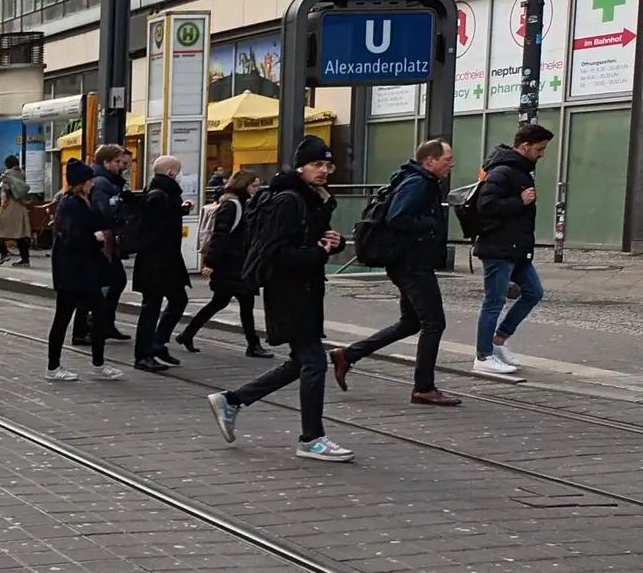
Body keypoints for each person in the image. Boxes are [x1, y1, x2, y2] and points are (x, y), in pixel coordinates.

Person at [207, 136, 352, 462]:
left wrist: (334, 243)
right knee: (314, 361)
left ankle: (232, 401)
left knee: (301, 362)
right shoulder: (288, 200)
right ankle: (311, 438)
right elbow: (275, 253)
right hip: (288, 292)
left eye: (328, 165)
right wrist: (317, 253)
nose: (324, 171)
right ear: (300, 166)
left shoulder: (312, 199)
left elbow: (311, 243)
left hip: (304, 291)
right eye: (317, 164)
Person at [331, 138, 461, 406]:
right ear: (430, 161)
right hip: (412, 264)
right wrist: (432, 225)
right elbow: (397, 216)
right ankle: (424, 388)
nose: (452, 164)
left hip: (407, 262)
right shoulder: (419, 183)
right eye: (447, 159)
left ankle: (348, 355)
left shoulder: (417, 180)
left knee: (412, 323)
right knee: (434, 323)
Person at [472, 121, 551, 378]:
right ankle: (483, 356)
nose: (542, 154)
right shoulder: (503, 171)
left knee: (533, 292)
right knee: (493, 301)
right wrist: (519, 201)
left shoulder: (521, 170)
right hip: (499, 248)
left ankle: (499, 339)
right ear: (525, 146)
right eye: (539, 149)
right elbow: (487, 205)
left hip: (516, 249)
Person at [178, 171, 271, 357]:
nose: (256, 190)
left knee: (224, 303)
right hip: (231, 264)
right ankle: (253, 345)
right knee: (237, 303)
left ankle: (188, 334)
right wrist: (211, 262)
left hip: (238, 263)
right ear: (243, 185)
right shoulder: (232, 205)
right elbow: (220, 235)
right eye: (254, 186)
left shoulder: (244, 204)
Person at [46, 160, 122, 383]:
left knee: (97, 313)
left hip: (82, 271)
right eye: (88, 180)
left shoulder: (83, 201)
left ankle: (97, 363)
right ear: (80, 183)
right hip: (72, 272)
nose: (92, 183)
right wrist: (94, 238)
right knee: (65, 317)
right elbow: (71, 237)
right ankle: (54, 366)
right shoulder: (70, 204)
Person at [131, 155, 192, 372]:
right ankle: (143, 354)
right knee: (151, 307)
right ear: (171, 173)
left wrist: (180, 210)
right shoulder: (159, 195)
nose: (181, 174)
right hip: (157, 262)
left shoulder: (164, 194)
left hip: (167, 260)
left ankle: (158, 344)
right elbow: (154, 230)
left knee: (178, 300)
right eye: (179, 170)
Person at [76, 143, 132, 345]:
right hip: (100, 241)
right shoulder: (102, 182)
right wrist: (121, 206)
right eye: (118, 162)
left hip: (102, 240)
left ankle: (100, 324)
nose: (122, 166)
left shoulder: (107, 181)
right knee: (105, 283)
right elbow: (104, 211)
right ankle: (91, 326)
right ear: (106, 162)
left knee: (109, 282)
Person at [0, 159, 32, 266]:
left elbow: (4, 193)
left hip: (10, 207)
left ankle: (4, 253)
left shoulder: (6, 176)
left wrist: (2, 204)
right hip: (21, 207)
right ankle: (25, 260)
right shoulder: (22, 174)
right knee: (20, 234)